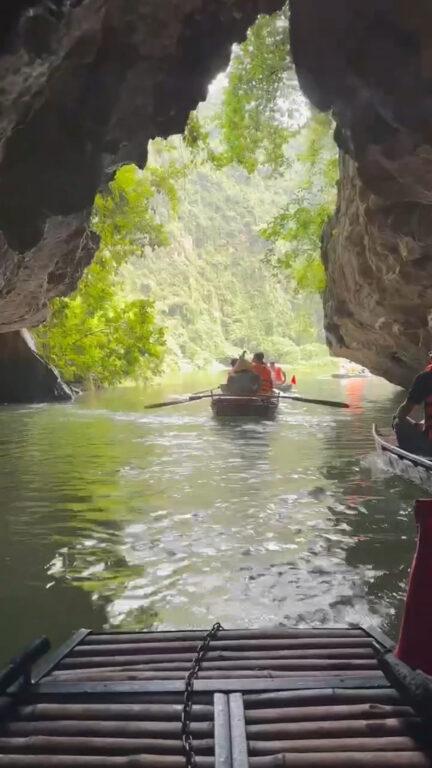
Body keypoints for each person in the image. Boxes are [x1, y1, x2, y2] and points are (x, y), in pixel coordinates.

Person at [392, 358, 432, 455]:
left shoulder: (425, 377)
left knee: (398, 421)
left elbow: (404, 411)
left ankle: (415, 455)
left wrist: (395, 418)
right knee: (421, 423)